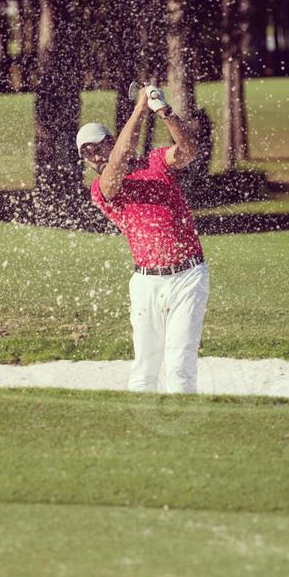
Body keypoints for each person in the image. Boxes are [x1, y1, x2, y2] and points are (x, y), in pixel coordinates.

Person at [77, 85, 209, 394]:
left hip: (189, 276)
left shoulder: (156, 162)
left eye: (96, 147)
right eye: (85, 153)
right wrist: (140, 107)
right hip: (147, 283)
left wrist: (164, 111)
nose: (93, 156)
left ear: (110, 140)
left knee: (180, 366)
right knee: (145, 370)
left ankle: (184, 437)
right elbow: (120, 158)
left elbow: (189, 150)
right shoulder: (102, 188)